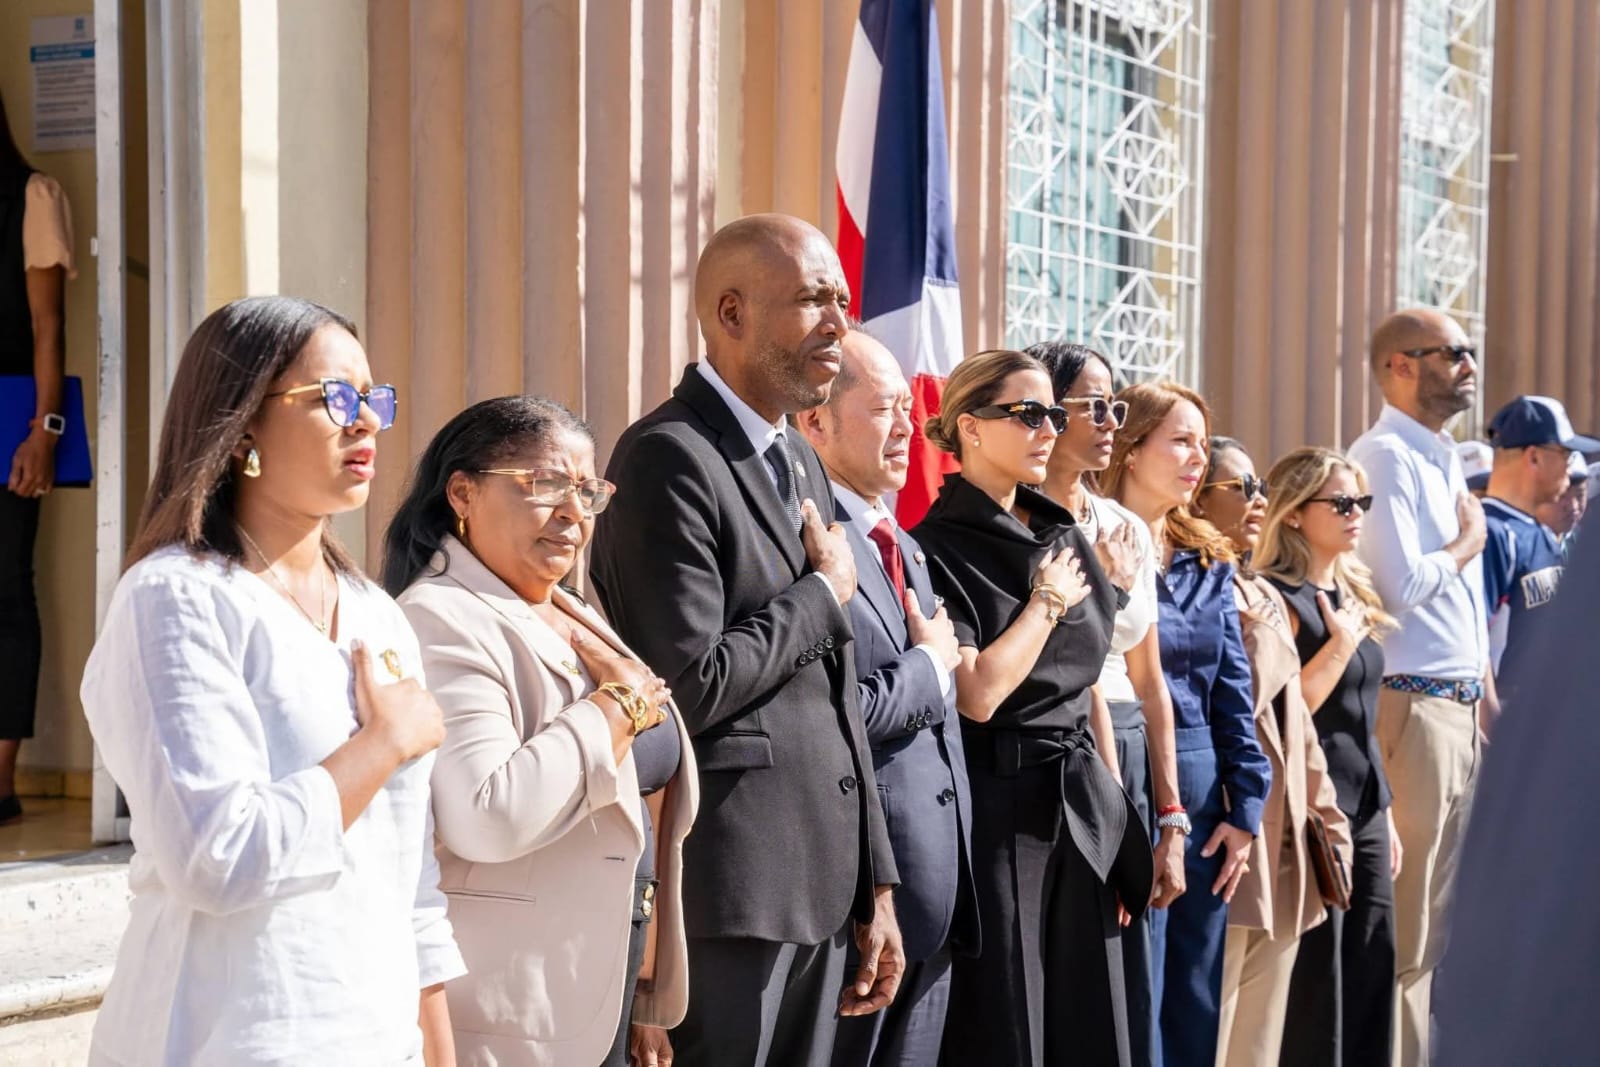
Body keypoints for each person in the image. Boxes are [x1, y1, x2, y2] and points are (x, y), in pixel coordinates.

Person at [78, 296, 464, 1064]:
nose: (367, 422)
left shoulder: (377, 617)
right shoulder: (177, 597)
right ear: (242, 421)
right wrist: (382, 743)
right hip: (231, 1036)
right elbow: (216, 855)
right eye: (335, 399)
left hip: (374, 1036)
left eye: (372, 398)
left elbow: (409, 886)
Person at [588, 213, 901, 1067]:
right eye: (812, 301)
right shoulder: (665, 457)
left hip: (824, 888)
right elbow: (684, 684)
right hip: (728, 890)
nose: (841, 323)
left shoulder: (798, 460)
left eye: (843, 299)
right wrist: (822, 592)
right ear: (731, 314)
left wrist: (876, 878)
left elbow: (836, 694)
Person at [384, 396, 699, 1067]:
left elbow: (641, 792)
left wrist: (644, 983)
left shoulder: (570, 607)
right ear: (463, 493)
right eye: (546, 485)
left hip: (597, 978)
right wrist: (616, 707)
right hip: (512, 1005)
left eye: (587, 491)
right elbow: (488, 813)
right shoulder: (439, 616)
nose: (573, 513)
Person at [912, 348, 1152, 1067]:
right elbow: (978, 693)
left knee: (1093, 1017)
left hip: (1080, 798)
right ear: (970, 427)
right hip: (997, 807)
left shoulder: (1061, 530)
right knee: (1011, 1023)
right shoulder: (933, 548)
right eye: (1026, 414)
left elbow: (1089, 687)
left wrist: (1116, 821)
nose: (1048, 428)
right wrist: (1047, 601)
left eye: (1052, 412)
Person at [793, 330, 978, 1067]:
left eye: (908, 407)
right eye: (883, 409)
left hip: (936, 899)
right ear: (816, 423)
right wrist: (933, 666)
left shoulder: (903, 543)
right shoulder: (810, 540)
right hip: (864, 901)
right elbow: (837, 713)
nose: (908, 427)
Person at [1100, 381, 1270, 1067]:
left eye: (1204, 442)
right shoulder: (1089, 535)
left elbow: (1234, 693)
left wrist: (1246, 807)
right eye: (1180, 439)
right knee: (1132, 986)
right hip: (1119, 770)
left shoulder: (1209, 558)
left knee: (1193, 996)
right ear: (1132, 447)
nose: (1198, 456)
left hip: (1201, 800)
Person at [1030, 340, 1184, 1067]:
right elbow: (1073, 670)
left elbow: (1150, 683)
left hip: (1124, 752)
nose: (1109, 419)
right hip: (1065, 755)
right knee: (1068, 979)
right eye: (1092, 403)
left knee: (1127, 977)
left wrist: (1172, 817)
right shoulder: (1020, 522)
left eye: (1115, 404)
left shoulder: (1126, 527)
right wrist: (1114, 813)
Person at [1346, 308, 1491, 1067]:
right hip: (1412, 701)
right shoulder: (1384, 456)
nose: (1468, 365)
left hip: (1455, 704)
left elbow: (1458, 607)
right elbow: (1397, 587)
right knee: (1406, 923)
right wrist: (1469, 542)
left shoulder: (1437, 455)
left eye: (1470, 352)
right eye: (1453, 354)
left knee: (1438, 922)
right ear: (1401, 365)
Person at [1192, 437, 1352, 1067]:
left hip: (1284, 826)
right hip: (1229, 819)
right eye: (1242, 488)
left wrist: (1325, 809)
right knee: (1216, 1011)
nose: (1259, 499)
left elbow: (1296, 721)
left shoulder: (1257, 589)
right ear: (1200, 498)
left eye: (1261, 486)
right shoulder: (1195, 588)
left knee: (1260, 1034)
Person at [1435, 467, 1600, 1066]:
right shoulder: (1503, 534)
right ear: (1531, 457)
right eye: (1564, 464)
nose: (1573, 487)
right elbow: (1483, 634)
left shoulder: (1547, 539)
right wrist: (1492, 714)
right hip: (1509, 736)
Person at [1258, 446, 1401, 1067]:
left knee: (1375, 960)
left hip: (1365, 807)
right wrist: (1340, 646)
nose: (1355, 514)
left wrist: (1386, 814)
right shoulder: (1274, 597)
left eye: (1360, 502)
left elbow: (1361, 721)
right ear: (1293, 513)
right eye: (1340, 502)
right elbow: (1289, 711)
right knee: (1323, 977)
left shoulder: (1349, 592)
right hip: (1314, 811)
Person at [0, 90, 74, 822]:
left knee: (5, 591)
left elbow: (47, 328)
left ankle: (0, 779)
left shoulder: (31, 196)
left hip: (10, 420)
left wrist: (44, 429)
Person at [1480, 395, 1599, 700]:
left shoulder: (1540, 532)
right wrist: (1493, 723)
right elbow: (1472, 642)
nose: (1570, 463)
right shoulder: (1491, 532)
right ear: (1533, 457)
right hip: (1504, 707)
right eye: (1564, 452)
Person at [1533, 451, 1588, 556]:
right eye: (1561, 495)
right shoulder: (1517, 545)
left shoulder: (1586, 544)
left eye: (1580, 495)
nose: (1573, 507)